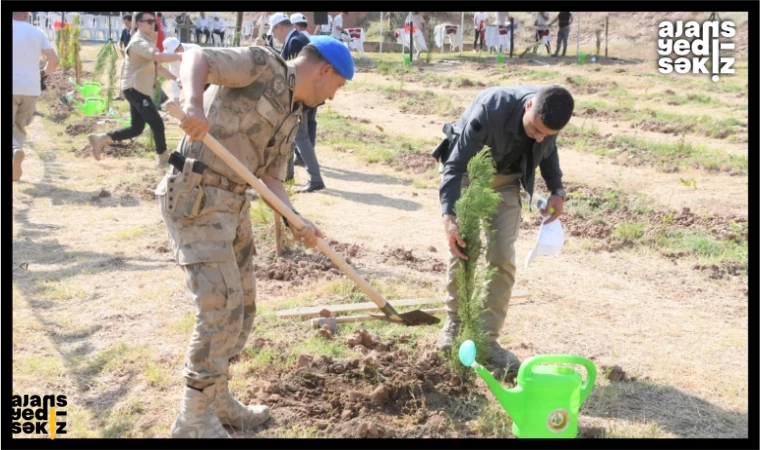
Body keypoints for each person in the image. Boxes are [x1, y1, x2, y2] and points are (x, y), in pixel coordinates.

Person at [162, 35, 354, 438]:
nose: (334, 97)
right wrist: (194, 104)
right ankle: (193, 418)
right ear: (325, 71)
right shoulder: (262, 65)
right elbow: (196, 56)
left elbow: (269, 178)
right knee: (219, 307)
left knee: (243, 307)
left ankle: (218, 400)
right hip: (197, 196)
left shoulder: (292, 113)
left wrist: (295, 219)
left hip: (233, 204)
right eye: (338, 86)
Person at [433, 85, 573, 374]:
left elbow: (549, 153)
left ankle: (488, 339)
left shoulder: (549, 115)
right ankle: (454, 324)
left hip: (508, 180)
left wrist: (557, 189)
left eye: (547, 134)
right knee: (465, 247)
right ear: (528, 106)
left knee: (502, 256)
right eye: (535, 129)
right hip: (470, 173)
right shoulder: (490, 109)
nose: (538, 137)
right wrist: (450, 217)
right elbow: (455, 164)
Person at [87, 12, 181, 164]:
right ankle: (163, 157)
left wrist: (176, 78)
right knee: (157, 122)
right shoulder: (138, 42)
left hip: (136, 89)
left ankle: (101, 139)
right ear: (138, 24)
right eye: (149, 21)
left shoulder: (147, 40)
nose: (152, 24)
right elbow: (157, 57)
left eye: (154, 21)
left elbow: (157, 67)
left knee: (136, 128)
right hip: (135, 89)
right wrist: (181, 56)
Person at [270, 13, 326, 192]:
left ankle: (315, 178)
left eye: (274, 32)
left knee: (300, 136)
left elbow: (293, 72)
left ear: (279, 27)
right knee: (299, 135)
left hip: (301, 95)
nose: (275, 37)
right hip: (308, 93)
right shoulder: (298, 37)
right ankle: (291, 173)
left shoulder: (294, 41)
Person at [12, 11, 59, 182]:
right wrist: (43, 75)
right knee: (19, 126)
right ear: (26, 15)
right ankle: (13, 163)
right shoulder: (37, 32)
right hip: (31, 88)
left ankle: (13, 151)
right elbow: (53, 60)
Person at [162, 37, 201, 105]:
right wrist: (176, 99)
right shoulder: (172, 59)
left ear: (179, 48)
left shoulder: (195, 50)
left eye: (172, 53)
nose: (170, 56)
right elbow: (175, 79)